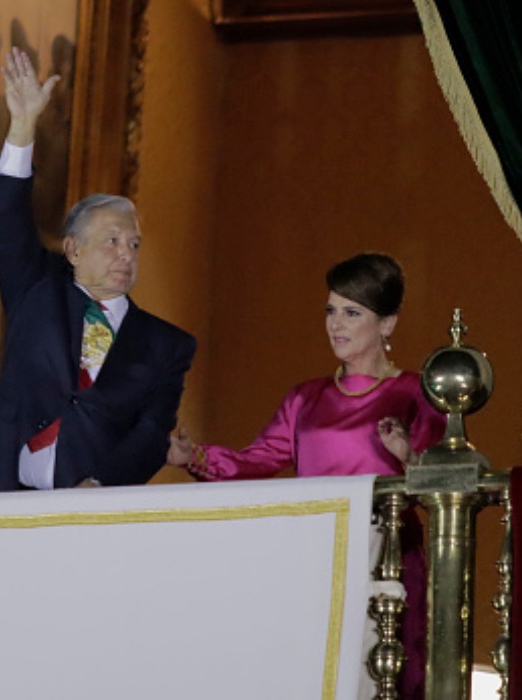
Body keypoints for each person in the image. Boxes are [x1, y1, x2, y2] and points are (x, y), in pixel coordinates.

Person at [167, 252, 445, 700]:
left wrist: (407, 453)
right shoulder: (305, 398)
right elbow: (259, 460)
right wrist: (195, 456)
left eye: (352, 313)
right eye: (331, 311)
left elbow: (438, 480)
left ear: (387, 324)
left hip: (388, 556)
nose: (336, 324)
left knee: (382, 677)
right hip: (317, 553)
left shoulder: (414, 392)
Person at [0, 47, 196, 493]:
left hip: (88, 512)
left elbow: (150, 433)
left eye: (134, 244)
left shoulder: (166, 346)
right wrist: (23, 126)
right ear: (73, 249)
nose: (126, 254)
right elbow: (6, 221)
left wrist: (100, 486)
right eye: (112, 241)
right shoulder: (36, 287)